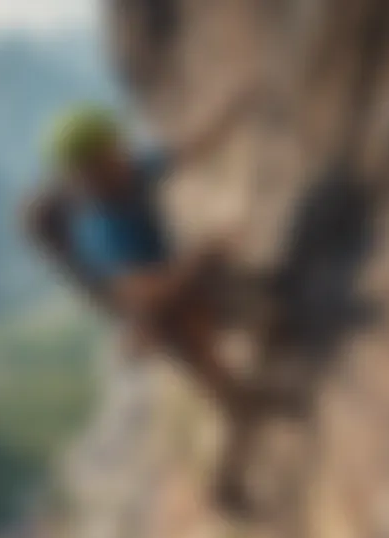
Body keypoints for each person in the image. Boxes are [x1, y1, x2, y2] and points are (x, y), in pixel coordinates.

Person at [24, 92, 259, 515]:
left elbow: (187, 147)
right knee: (237, 402)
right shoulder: (98, 226)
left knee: (239, 388)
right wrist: (202, 258)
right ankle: (225, 486)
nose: (120, 157)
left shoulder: (130, 178)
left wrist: (239, 106)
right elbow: (144, 291)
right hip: (167, 320)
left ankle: (232, 470)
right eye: (107, 156)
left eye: (116, 149)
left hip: (180, 300)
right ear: (86, 171)